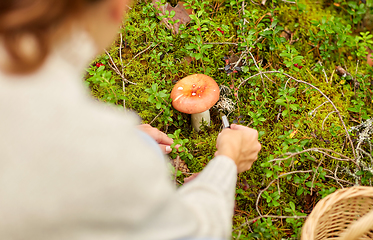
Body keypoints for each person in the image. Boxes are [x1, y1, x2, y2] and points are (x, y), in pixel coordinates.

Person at [0, 0, 262, 239]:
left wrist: (125, 142)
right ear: (115, 9)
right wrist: (227, 161)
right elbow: (194, 233)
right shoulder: (106, 146)